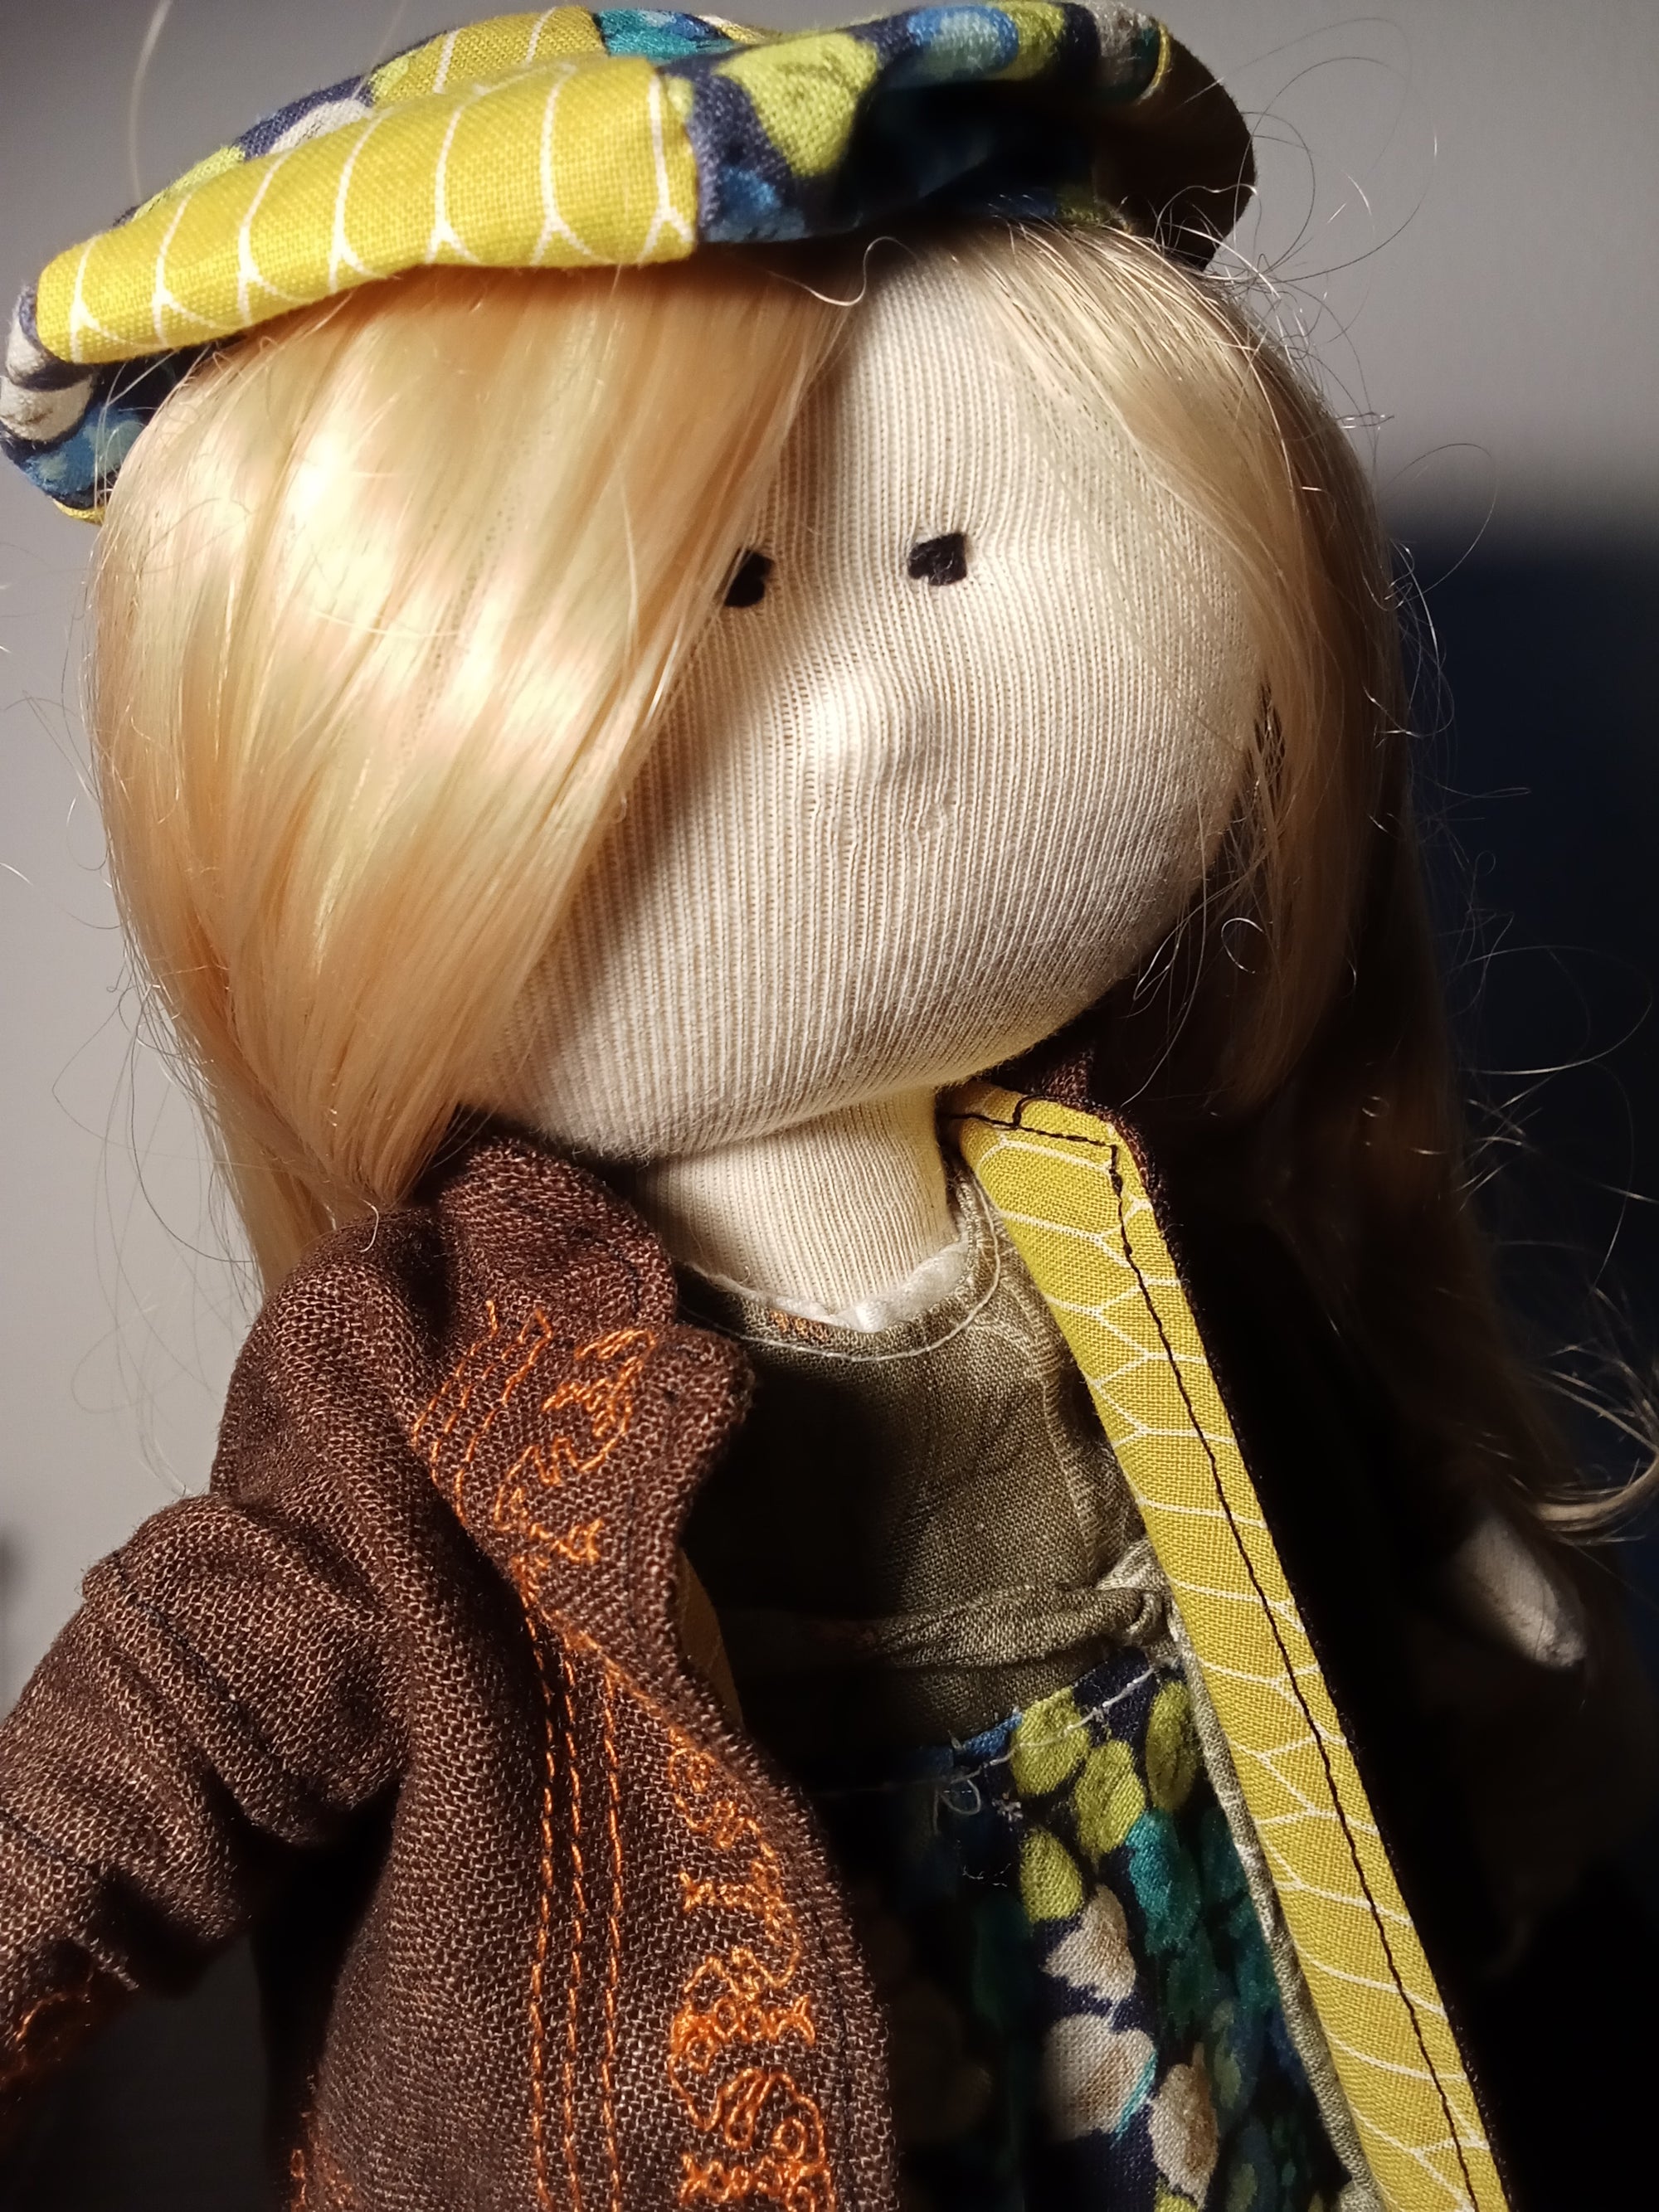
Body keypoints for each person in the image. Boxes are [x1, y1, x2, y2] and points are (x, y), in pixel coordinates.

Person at [1, 10, 1650, 2207]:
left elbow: (1289, 1430)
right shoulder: (430, 1382)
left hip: (1210, 1987)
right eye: (730, 602)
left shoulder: (1117, 1207)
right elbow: (194, 1697)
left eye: (948, 559)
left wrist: (1454, 1569)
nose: (867, 728)